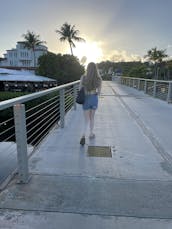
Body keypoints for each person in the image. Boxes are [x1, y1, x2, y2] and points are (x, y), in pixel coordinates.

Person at [79, 62, 102, 145]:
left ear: (87, 68)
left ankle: (83, 135)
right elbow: (99, 92)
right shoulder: (99, 79)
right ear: (96, 69)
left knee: (86, 119)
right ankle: (91, 133)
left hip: (86, 99)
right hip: (94, 99)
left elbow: (80, 89)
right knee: (92, 118)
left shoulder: (83, 77)